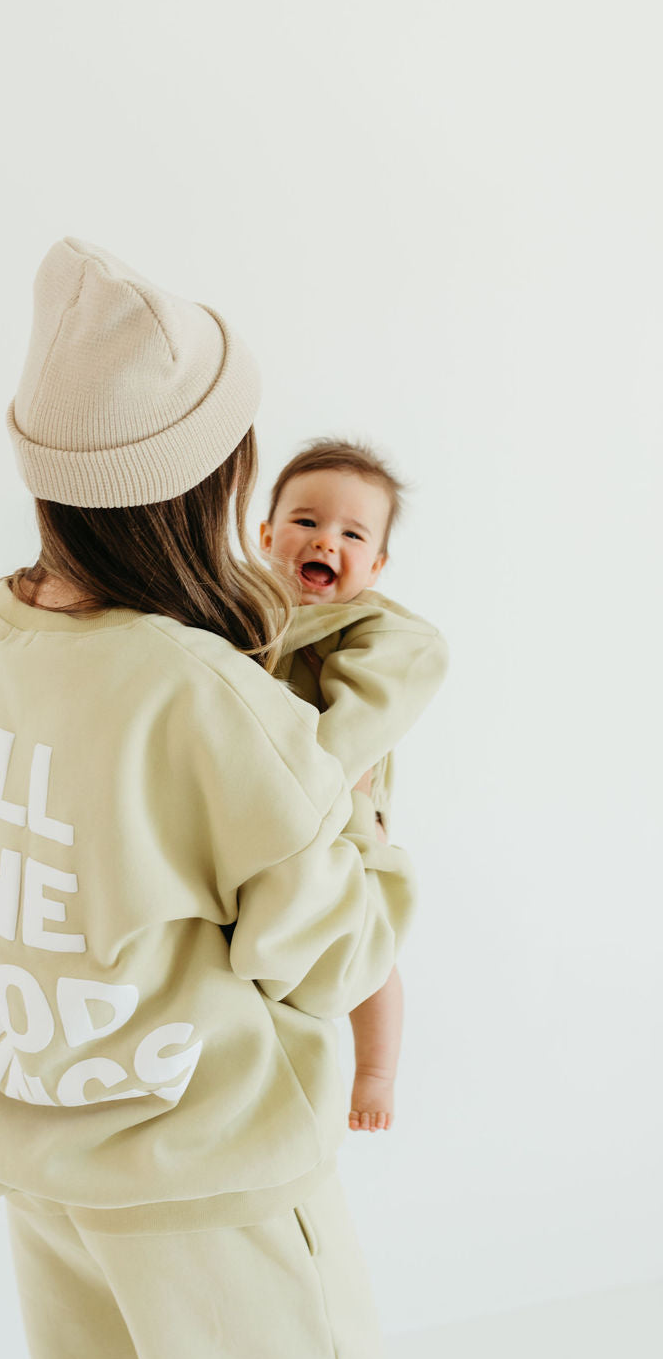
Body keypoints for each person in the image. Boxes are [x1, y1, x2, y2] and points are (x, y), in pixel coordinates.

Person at [0, 237, 417, 1359]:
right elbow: (336, 951)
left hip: (49, 1155)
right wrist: (357, 809)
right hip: (208, 1178)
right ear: (211, 481)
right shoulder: (204, 693)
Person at [261, 441, 450, 1133]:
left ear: (376, 566)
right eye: (306, 522)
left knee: (371, 954)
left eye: (352, 534)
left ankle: (375, 1071)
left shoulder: (369, 631)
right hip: (263, 816)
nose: (325, 543)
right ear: (265, 536)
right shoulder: (241, 618)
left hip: (344, 816)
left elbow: (346, 736)